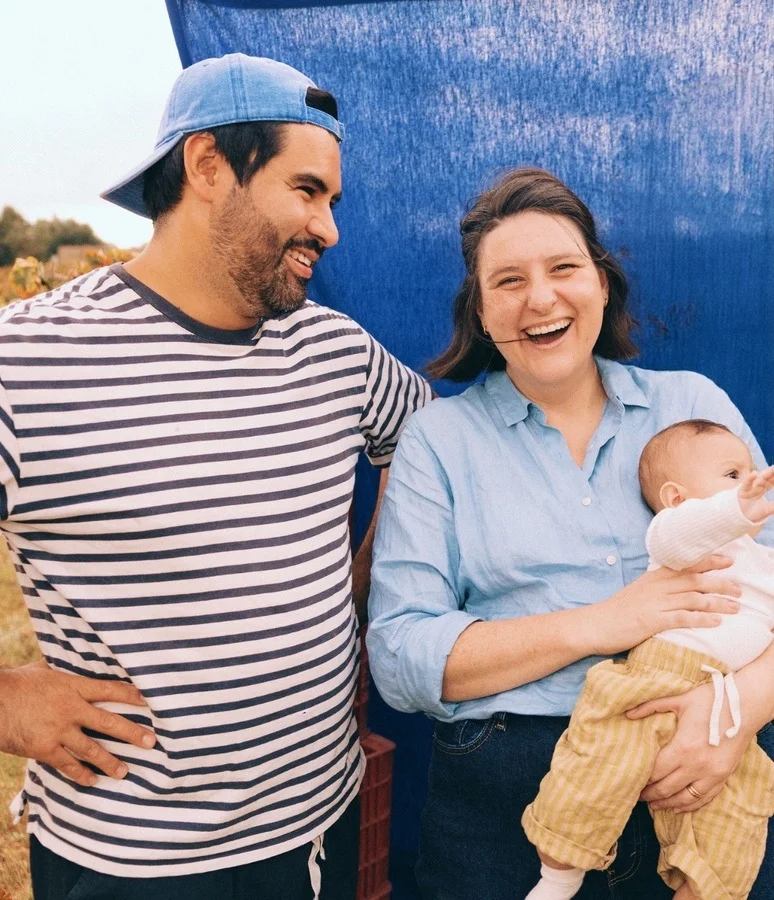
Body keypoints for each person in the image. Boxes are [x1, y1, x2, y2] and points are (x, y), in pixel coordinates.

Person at [0, 54, 430, 899]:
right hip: (136, 865)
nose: (330, 228)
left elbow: (430, 450)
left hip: (321, 826)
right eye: (307, 191)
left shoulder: (335, 350)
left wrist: (364, 575)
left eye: (332, 201)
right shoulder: (30, 362)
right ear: (207, 166)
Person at [366, 167, 774, 900]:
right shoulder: (439, 441)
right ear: (481, 313)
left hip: (704, 766)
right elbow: (401, 657)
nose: (542, 299)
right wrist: (603, 623)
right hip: (505, 804)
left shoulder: (692, 405)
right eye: (509, 281)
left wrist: (741, 712)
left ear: (602, 282)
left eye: (564, 268)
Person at [524, 420, 774, 900]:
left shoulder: (759, 559)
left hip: (728, 698)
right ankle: (559, 874)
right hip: (657, 677)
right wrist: (735, 509)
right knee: (599, 763)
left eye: (751, 471)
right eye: (731, 473)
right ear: (677, 497)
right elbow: (681, 533)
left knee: (741, 803)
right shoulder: (680, 538)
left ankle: (705, 889)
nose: (748, 481)